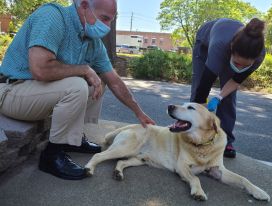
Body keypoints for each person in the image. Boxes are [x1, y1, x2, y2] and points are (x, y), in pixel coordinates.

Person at [0, 0, 155, 180]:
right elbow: (40, 69)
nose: (107, 26)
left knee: (97, 83)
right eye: (104, 18)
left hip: (35, 95)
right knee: (78, 84)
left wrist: (139, 112)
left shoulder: (93, 43)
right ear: (83, 6)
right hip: (11, 91)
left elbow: (115, 82)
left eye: (111, 21)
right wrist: (84, 69)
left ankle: (72, 140)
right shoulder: (53, 16)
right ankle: (52, 156)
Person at [190, 18, 266, 158]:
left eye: (245, 65)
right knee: (198, 87)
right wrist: (204, 118)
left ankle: (225, 140)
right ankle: (192, 132)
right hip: (206, 40)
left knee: (228, 96)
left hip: (227, 44)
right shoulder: (220, 45)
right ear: (231, 49)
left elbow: (235, 81)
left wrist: (219, 97)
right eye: (237, 63)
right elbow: (204, 88)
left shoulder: (259, 55)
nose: (240, 68)